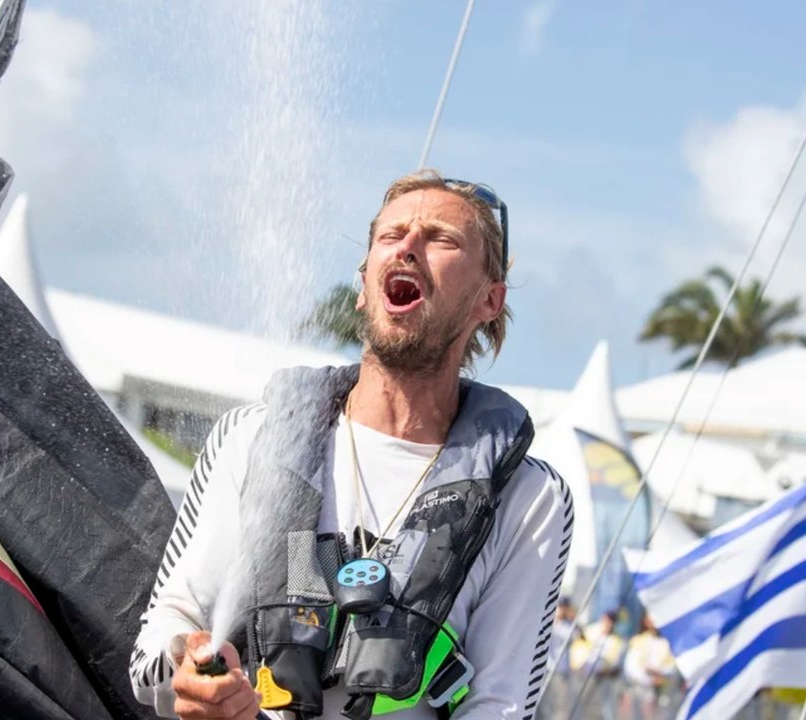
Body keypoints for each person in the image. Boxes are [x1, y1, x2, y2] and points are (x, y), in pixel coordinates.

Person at [128, 170, 574, 720]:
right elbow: (162, 636)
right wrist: (191, 669)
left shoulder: (528, 496)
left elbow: (500, 707)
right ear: (365, 285)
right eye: (391, 236)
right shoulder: (252, 438)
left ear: (489, 299)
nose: (408, 247)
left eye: (441, 239)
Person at [621, 614, 678, 720]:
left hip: (664, 693)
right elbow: (631, 668)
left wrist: (661, 675)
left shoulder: (668, 641)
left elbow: (674, 668)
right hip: (641, 692)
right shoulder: (638, 641)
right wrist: (649, 680)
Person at [538, 597, 578, 718]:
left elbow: (576, 636)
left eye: (563, 608)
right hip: (544, 669)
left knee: (558, 705)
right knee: (540, 703)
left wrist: (572, 617)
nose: (560, 610)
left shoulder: (570, 626)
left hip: (560, 671)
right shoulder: (547, 621)